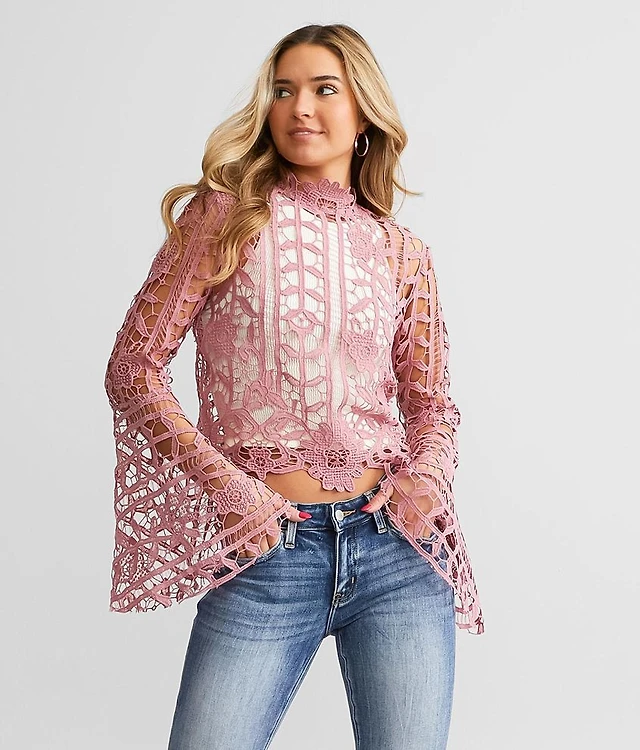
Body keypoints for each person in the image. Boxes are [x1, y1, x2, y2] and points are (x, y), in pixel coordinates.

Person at [104, 22, 484, 750]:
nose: (300, 107)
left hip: (398, 554)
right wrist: (231, 490)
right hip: (268, 551)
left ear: (364, 112)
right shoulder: (223, 219)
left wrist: (425, 477)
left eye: (323, 89)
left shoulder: (402, 252)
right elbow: (134, 368)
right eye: (283, 91)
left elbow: (432, 404)